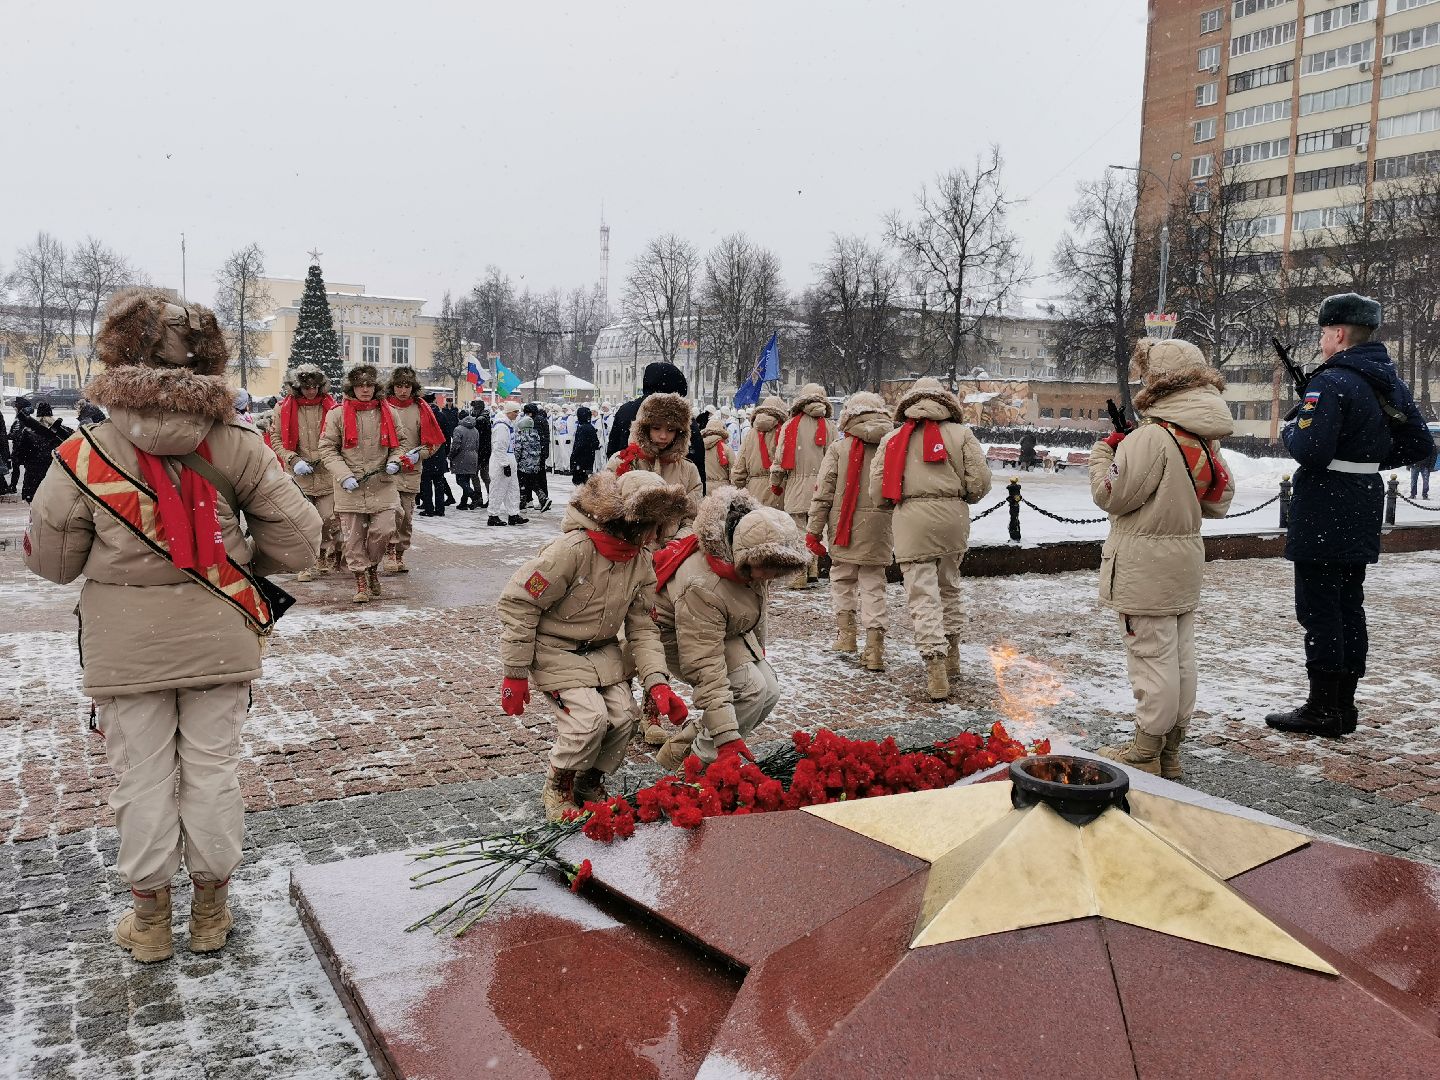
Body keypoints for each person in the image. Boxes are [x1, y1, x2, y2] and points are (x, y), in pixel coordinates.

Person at [23, 287, 321, 962]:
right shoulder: (239, 443)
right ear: (207, 361)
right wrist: (235, 554)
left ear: (117, 355)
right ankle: (211, 915)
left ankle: (151, 924)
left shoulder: (84, 453)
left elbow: (53, 562)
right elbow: (302, 542)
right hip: (220, 632)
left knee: (142, 778)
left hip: (125, 643)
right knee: (215, 772)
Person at [1266, 293, 1432, 738]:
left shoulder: (1333, 380)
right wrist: (1366, 458)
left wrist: (1292, 425)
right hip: (1361, 502)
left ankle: (1321, 709)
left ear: (1339, 334)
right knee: (1348, 605)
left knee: (1320, 608)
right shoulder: (1385, 380)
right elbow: (1420, 444)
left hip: (1324, 505)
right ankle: (1343, 706)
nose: (1321, 341)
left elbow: (1310, 450)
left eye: (1323, 333)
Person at [497, 470, 691, 820]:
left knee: (623, 719)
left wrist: (657, 682)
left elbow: (643, 627)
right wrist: (515, 672)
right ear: (628, 520)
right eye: (649, 526)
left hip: (602, 652)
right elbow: (519, 601)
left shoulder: (640, 560)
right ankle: (559, 785)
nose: (654, 537)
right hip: (555, 649)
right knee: (588, 721)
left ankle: (589, 780)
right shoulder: (571, 551)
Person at [1089, 338, 1234, 778]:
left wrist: (1104, 454)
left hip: (1143, 566)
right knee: (1180, 659)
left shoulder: (1152, 436)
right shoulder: (1204, 440)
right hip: (1184, 562)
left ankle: (1145, 750)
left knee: (1152, 660)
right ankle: (1171, 750)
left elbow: (1110, 495)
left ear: (1157, 381)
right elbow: (1220, 500)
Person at [650, 487, 808, 771]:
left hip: (724, 628)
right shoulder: (704, 585)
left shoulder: (750, 559)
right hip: (677, 633)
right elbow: (705, 665)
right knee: (749, 690)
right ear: (746, 555)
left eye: (779, 568)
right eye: (768, 566)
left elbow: (754, 613)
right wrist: (725, 740)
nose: (771, 576)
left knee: (768, 690)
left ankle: (681, 748)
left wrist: (759, 655)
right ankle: (699, 765)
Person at [871, 377, 992, 701]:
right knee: (949, 587)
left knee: (923, 596)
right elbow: (979, 482)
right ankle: (952, 656)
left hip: (911, 521)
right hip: (952, 519)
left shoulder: (894, 438)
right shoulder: (962, 434)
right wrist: (958, 496)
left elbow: (878, 490)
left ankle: (935, 667)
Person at [806, 392, 895, 672]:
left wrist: (813, 530)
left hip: (844, 525)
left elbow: (824, 492)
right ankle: (875, 647)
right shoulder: (892, 444)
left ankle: (846, 636)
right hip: (880, 524)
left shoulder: (839, 448)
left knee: (843, 579)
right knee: (874, 584)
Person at [315, 363, 402, 603]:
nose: (365, 390)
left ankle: (372, 566)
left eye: (369, 385)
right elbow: (327, 448)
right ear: (351, 388)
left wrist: (395, 460)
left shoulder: (388, 412)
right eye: (360, 385)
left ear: (376, 387)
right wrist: (344, 475)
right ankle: (361, 580)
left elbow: (400, 443)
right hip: (349, 487)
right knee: (352, 538)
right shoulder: (337, 414)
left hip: (381, 483)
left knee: (384, 529)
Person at [605, 391, 702, 543]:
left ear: (679, 432)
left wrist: (676, 545)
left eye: (671, 430)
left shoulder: (688, 469)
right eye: (656, 428)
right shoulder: (621, 461)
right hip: (630, 552)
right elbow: (607, 511)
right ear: (645, 428)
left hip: (672, 556)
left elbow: (691, 518)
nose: (663, 436)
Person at [276, 363, 342, 579]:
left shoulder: (332, 408)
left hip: (326, 472)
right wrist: (293, 459)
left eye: (315, 387)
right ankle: (308, 562)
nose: (311, 391)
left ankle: (323, 552)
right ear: (298, 388)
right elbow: (276, 439)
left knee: (327, 518)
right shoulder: (283, 408)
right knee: (303, 521)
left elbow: (340, 436)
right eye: (306, 388)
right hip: (299, 474)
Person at [769, 383, 833, 589]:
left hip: (796, 485)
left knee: (798, 531)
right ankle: (813, 568)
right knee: (815, 530)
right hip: (821, 486)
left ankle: (799, 574)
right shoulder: (830, 426)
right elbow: (834, 461)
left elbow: (779, 460)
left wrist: (776, 483)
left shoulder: (790, 425)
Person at [382, 366, 444, 573]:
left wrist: (419, 455)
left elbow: (432, 443)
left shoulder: (421, 408)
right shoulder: (382, 406)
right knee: (392, 514)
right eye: (399, 385)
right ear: (393, 386)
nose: (403, 390)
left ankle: (400, 552)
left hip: (411, 469)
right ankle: (389, 551)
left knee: (406, 517)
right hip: (387, 469)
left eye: (407, 386)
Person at [607, 361, 689, 457]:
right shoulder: (680, 413)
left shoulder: (625, 411)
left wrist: (623, 464)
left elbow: (613, 449)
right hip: (673, 469)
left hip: (628, 467)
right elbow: (696, 456)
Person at [731, 395, 787, 509]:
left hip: (754, 494)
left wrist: (743, 490)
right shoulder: (785, 432)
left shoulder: (750, 434)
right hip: (779, 491)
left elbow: (738, 471)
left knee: (757, 525)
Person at [13, 401, 73, 502]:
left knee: (33, 503)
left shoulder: (28, 431)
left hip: (32, 476)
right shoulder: (61, 431)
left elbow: (20, 454)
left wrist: (23, 461)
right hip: (53, 475)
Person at [488, 401, 525, 526]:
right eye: (515, 412)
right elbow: (499, 447)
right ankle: (493, 515)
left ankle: (513, 514)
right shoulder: (501, 426)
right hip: (501, 461)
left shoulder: (509, 425)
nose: (517, 414)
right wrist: (504, 464)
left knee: (513, 489)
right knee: (498, 489)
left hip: (510, 458)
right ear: (509, 412)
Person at [514, 414, 548, 511]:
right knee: (533, 483)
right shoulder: (536, 435)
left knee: (522, 483)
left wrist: (515, 462)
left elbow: (518, 451)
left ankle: (522, 502)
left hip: (523, 465)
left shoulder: (521, 436)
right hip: (534, 464)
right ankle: (543, 498)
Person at [450, 413, 482, 509]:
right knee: (466, 481)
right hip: (473, 457)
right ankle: (463, 503)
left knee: (460, 481)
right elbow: (477, 445)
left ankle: (473, 496)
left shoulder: (458, 429)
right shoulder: (475, 430)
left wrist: (451, 455)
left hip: (461, 457)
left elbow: (456, 445)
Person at [523, 402, 552, 509]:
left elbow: (536, 438)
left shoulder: (534, 421)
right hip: (541, 453)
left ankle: (535, 499)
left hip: (535, 454)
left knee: (532, 477)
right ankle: (542, 498)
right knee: (540, 477)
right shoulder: (542, 419)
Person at [701, 412, 732, 491]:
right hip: (723, 491)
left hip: (704, 488)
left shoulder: (700, 447)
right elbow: (734, 473)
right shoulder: (726, 449)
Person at [571, 405, 600, 487]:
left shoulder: (581, 428)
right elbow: (596, 443)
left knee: (579, 482)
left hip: (580, 460)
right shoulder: (591, 427)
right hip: (589, 458)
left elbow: (579, 445)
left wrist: (573, 458)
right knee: (585, 480)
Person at [470, 398, 492, 508]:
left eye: (474, 408)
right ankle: (490, 498)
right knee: (485, 476)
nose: (473, 410)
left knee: (475, 475)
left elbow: (477, 437)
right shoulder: (486, 418)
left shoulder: (480, 420)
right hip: (486, 452)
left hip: (480, 452)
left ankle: (479, 497)